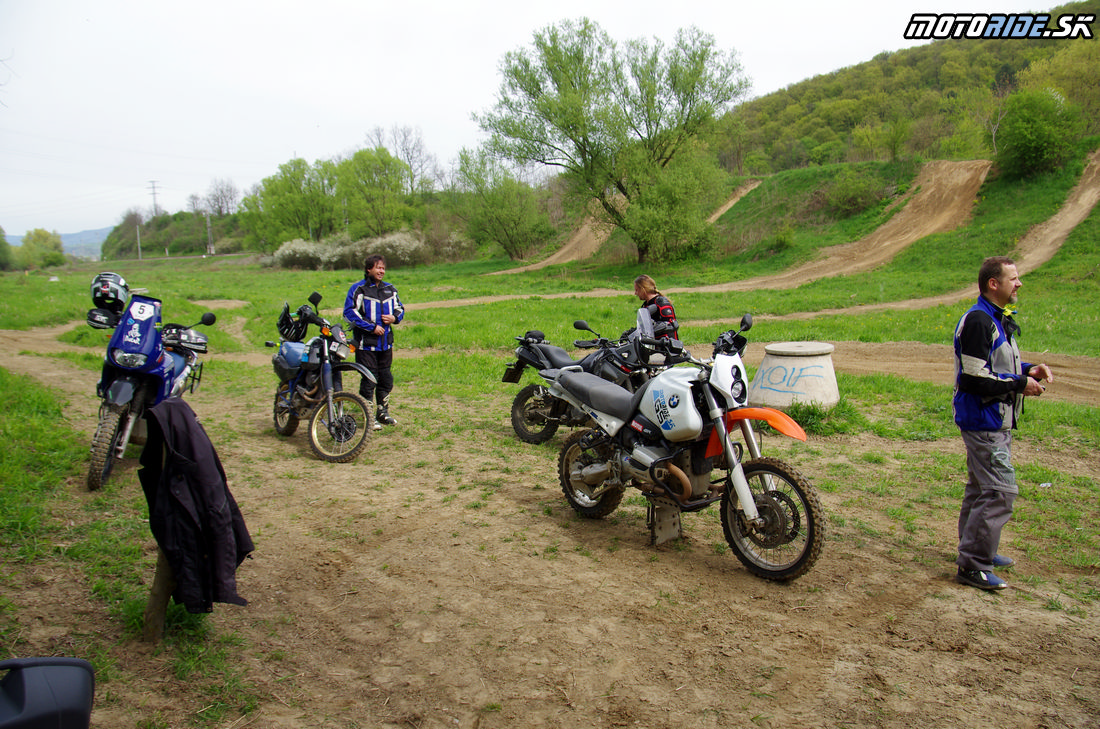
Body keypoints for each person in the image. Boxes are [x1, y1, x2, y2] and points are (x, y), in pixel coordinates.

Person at [952, 256, 1053, 591]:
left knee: (981, 487)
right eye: (1013, 278)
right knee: (999, 492)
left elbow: (996, 362)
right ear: (993, 284)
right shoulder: (980, 321)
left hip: (993, 419)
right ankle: (973, 565)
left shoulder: (995, 318)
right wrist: (1019, 384)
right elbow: (973, 378)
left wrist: (1027, 369)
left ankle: (976, 549)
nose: (1019, 283)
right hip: (983, 420)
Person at [344, 255, 405, 428]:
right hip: (365, 344)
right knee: (369, 380)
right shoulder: (358, 289)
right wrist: (371, 327)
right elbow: (349, 313)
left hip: (386, 344)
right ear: (368, 269)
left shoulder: (390, 289)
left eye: (383, 268)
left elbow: (400, 308)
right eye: (378, 268)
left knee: (386, 379)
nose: (381, 271)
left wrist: (394, 317)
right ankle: (367, 416)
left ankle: (382, 413)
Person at [633, 274, 678, 339]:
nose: (635, 293)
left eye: (637, 290)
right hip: (653, 345)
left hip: (667, 346)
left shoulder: (661, 302)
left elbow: (671, 325)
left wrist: (654, 327)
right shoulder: (646, 305)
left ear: (643, 289)